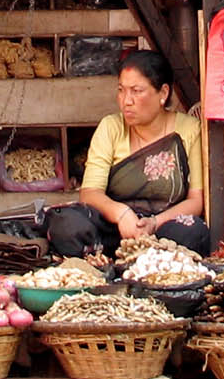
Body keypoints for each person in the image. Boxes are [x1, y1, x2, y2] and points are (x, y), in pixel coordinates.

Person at [47, 50, 211, 258]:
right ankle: (109, 263)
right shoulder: (111, 127)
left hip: (164, 228)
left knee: (192, 231)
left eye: (136, 91)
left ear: (163, 93)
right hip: (115, 227)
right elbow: (89, 193)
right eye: (121, 90)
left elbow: (196, 201)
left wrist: (153, 223)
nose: (126, 101)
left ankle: (151, 265)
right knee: (66, 224)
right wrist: (121, 214)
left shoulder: (189, 130)